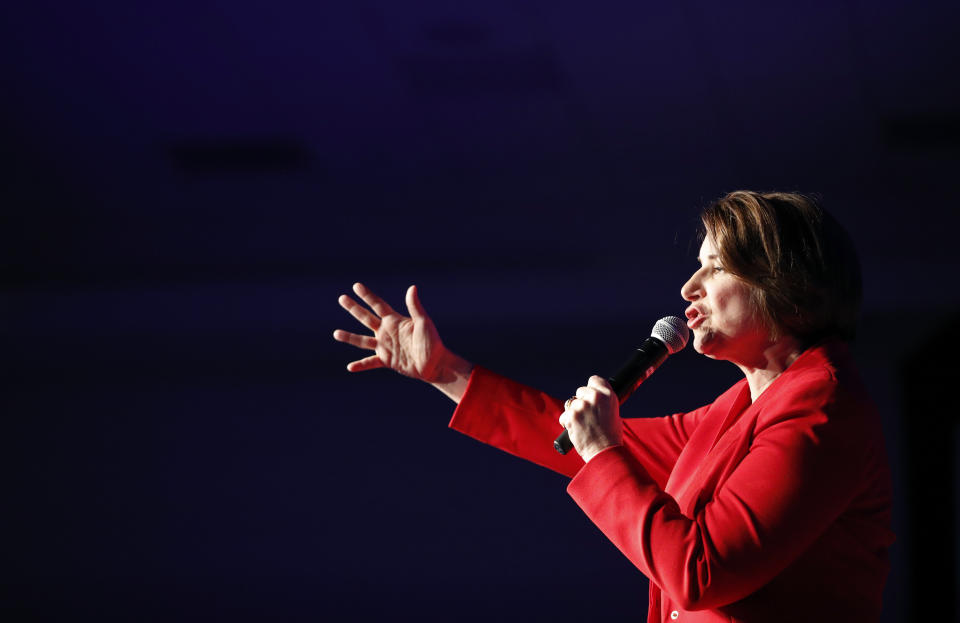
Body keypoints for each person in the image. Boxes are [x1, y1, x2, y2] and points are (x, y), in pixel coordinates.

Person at [333, 191, 894, 623]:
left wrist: (603, 449)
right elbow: (573, 442)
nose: (689, 286)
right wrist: (444, 372)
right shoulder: (740, 407)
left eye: (717, 266)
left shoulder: (821, 408)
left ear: (785, 285)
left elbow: (702, 572)